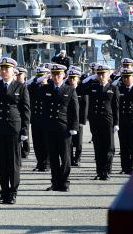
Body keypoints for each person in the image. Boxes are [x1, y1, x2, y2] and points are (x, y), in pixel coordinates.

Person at [0, 57, 30, 204]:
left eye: (7, 68)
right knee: (2, 162)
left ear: (13, 71)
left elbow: (25, 111)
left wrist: (25, 131)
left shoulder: (20, 86)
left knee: (13, 162)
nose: (4, 71)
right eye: (2, 68)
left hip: (14, 128)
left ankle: (13, 192)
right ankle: (4, 192)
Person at [38, 64, 79, 192]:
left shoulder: (70, 89)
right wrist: (42, 78)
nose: (56, 77)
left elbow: (74, 110)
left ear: (64, 75)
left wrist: (74, 126)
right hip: (50, 127)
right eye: (54, 74)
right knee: (53, 157)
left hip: (64, 128)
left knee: (65, 157)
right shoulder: (46, 88)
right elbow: (32, 90)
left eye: (58, 74)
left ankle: (65, 182)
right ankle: (55, 182)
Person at [79, 64, 119, 180]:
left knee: (109, 147)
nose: (101, 76)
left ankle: (107, 171)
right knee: (98, 146)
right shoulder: (93, 86)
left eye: (103, 74)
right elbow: (80, 89)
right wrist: (89, 78)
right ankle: (99, 171)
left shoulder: (113, 88)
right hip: (95, 120)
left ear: (108, 75)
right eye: (99, 74)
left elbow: (116, 107)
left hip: (107, 120)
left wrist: (116, 123)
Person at [28, 67, 50, 172]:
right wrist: (36, 81)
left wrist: (45, 82)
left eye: (42, 76)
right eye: (38, 76)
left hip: (46, 119)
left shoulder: (49, 86)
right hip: (35, 119)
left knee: (47, 142)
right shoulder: (34, 86)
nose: (40, 78)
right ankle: (40, 163)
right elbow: (28, 89)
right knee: (37, 143)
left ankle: (47, 163)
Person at [67, 69, 88, 167]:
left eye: (74, 78)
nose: (71, 80)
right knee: (69, 140)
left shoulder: (82, 90)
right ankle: (70, 158)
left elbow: (85, 106)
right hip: (67, 119)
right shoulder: (66, 88)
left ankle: (77, 158)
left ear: (78, 79)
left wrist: (82, 121)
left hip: (78, 120)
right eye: (70, 78)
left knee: (78, 142)